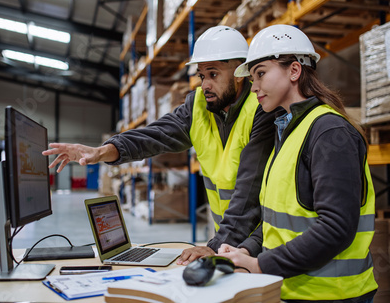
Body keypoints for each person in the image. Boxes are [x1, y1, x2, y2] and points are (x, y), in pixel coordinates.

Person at [43, 26, 278, 265]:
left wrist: (216, 246)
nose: (205, 84)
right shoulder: (197, 106)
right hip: (227, 240)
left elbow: (249, 189)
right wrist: (101, 152)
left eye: (213, 74)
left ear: (239, 74)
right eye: (202, 75)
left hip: (261, 243)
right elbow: (153, 136)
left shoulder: (262, 109)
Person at [217, 24, 377, 302]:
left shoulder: (329, 132)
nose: (253, 87)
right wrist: (247, 250)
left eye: (261, 74)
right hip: (296, 289)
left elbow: (336, 227)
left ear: (294, 71)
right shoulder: (287, 130)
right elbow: (280, 221)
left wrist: (261, 265)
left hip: (333, 295)